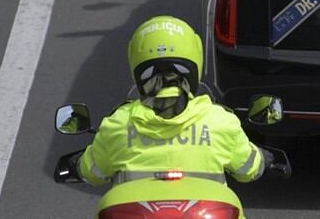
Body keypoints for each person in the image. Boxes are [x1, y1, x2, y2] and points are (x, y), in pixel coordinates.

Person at [77, 16, 269, 186]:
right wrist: (266, 158)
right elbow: (249, 169)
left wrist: (76, 165)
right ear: (195, 63)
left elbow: (92, 172)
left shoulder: (118, 124)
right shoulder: (221, 121)